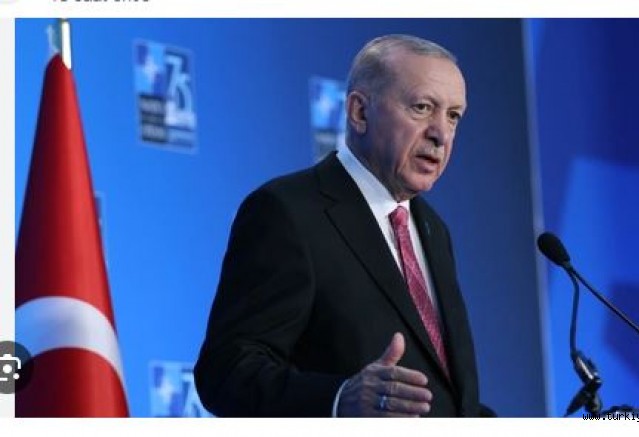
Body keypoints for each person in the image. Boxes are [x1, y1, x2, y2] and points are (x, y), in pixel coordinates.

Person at [194, 34, 494, 417]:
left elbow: (446, 398)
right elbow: (227, 371)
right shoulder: (289, 212)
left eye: (453, 116)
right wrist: (338, 399)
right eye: (422, 108)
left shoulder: (433, 229)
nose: (441, 134)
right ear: (359, 112)